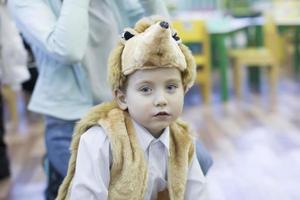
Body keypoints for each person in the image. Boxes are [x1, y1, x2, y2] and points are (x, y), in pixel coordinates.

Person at [8, 0, 172, 199]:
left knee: (196, 162)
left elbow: (158, 41)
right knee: (108, 189)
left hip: (122, 115)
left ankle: (57, 174)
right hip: (70, 124)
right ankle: (58, 174)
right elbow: (68, 51)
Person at [56, 16, 209, 200]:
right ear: (122, 98)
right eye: (146, 89)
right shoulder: (101, 140)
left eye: (171, 87)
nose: (161, 100)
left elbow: (198, 194)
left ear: (184, 90)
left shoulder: (182, 141)